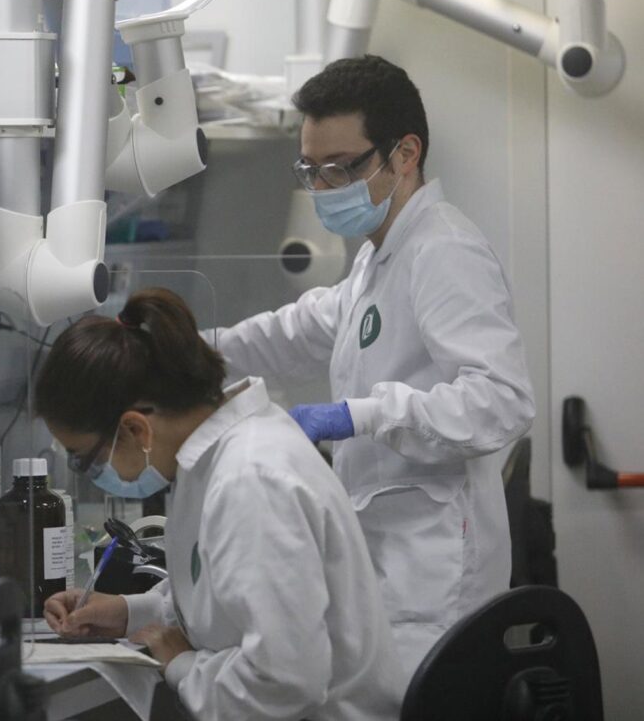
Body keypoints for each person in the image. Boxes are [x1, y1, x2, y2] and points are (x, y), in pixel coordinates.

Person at [210, 54, 536, 674]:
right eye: (311, 171)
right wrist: (197, 349)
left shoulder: (443, 250)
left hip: (436, 581)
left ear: (405, 154)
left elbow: (502, 401)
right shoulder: (381, 256)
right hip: (394, 570)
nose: (324, 189)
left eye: (341, 168)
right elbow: (298, 329)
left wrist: (359, 416)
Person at [36, 288, 405, 721]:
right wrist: (129, 612)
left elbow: (285, 680)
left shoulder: (251, 480)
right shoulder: (211, 460)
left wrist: (183, 666)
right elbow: (224, 601)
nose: (93, 472)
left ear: (136, 429)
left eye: (86, 458)